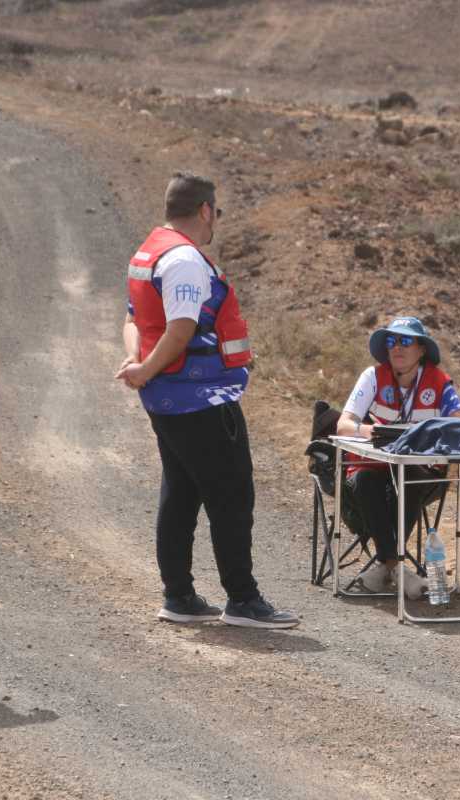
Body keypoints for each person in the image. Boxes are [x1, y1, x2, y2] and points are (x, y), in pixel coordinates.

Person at [116, 171, 298, 629]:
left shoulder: (149, 251)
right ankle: (243, 600)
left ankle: (179, 596)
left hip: (168, 398)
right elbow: (180, 329)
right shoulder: (184, 261)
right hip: (201, 398)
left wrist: (138, 362)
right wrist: (145, 368)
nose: (216, 219)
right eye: (216, 211)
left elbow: (133, 319)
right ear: (204, 210)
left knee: (180, 492)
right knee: (231, 496)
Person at [336, 316, 460, 595]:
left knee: (408, 478)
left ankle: (385, 566)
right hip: (372, 465)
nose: (397, 347)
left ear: (421, 349)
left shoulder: (439, 382)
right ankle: (396, 566)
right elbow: (343, 425)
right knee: (364, 482)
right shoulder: (372, 376)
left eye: (406, 341)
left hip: (419, 471)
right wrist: (373, 431)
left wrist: (427, 436)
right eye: (391, 341)